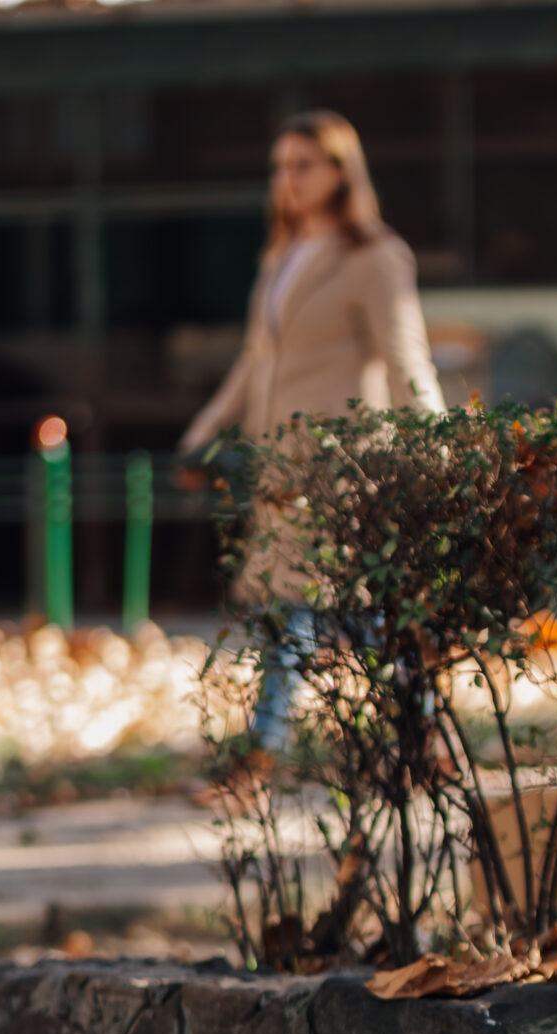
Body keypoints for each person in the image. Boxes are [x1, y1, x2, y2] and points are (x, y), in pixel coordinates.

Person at [179, 110, 446, 749]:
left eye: (302, 164)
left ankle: (275, 751)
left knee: (328, 612)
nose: (287, 180)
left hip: (341, 472)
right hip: (280, 469)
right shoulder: (281, 257)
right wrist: (203, 434)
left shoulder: (375, 256)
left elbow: (408, 358)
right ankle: (420, 740)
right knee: (316, 614)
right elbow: (254, 360)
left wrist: (442, 449)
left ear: (339, 170)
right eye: (278, 167)